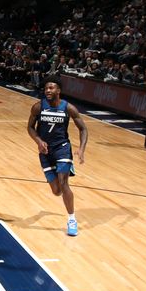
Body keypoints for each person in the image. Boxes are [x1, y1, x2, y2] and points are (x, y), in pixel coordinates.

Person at [27, 76, 88, 236]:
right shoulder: (38, 107)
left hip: (62, 149)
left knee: (64, 182)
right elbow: (30, 128)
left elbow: (83, 129)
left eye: (51, 88)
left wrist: (81, 149)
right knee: (56, 191)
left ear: (58, 90)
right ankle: (62, 193)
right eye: (46, 88)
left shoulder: (68, 108)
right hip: (45, 152)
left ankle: (72, 219)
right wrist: (38, 140)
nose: (48, 90)